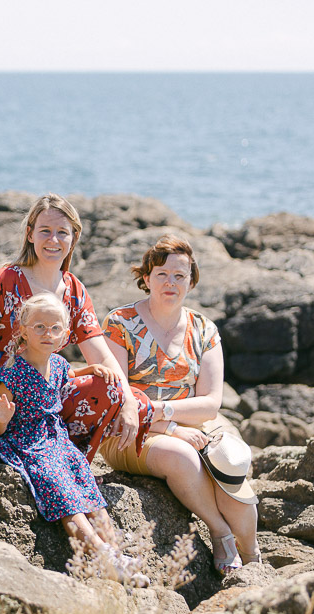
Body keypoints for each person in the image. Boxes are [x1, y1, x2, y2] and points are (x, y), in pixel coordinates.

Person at [0, 193, 153, 460]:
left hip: (48, 394)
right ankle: (55, 457)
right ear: (30, 234)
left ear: (74, 238)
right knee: (109, 392)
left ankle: (71, 461)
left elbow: (101, 356)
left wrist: (126, 400)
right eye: (45, 230)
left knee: (136, 400)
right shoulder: (5, 281)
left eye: (62, 232)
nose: (53, 239)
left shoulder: (75, 291)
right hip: (5, 397)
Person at [100, 235, 259, 574]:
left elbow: (211, 404)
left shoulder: (204, 330)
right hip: (126, 431)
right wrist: (169, 428)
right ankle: (220, 532)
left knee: (231, 462)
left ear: (191, 280)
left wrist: (167, 413)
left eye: (179, 275)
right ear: (146, 278)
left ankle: (254, 558)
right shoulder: (120, 323)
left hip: (188, 422)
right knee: (183, 455)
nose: (170, 283)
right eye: (161, 274)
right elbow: (117, 399)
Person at [0, 293, 147, 586]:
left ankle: (117, 557)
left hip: (58, 441)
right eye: (39, 327)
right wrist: (1, 419)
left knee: (89, 490)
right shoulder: (12, 375)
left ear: (65, 334)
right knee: (67, 502)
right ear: (23, 330)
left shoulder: (57, 363)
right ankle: (102, 557)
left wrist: (90, 369)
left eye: (55, 328)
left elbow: (67, 375)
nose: (48, 334)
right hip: (29, 443)